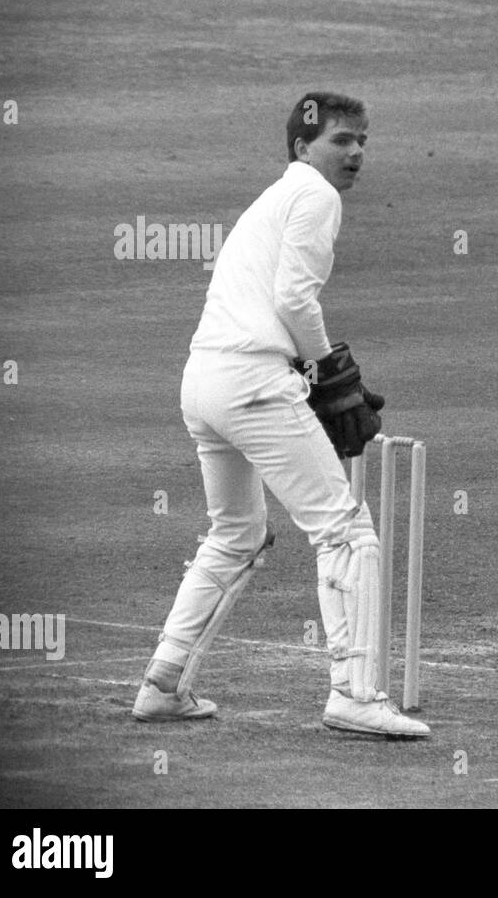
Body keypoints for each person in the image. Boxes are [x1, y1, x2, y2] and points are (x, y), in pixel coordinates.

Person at [132, 92, 429, 737]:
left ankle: (164, 683)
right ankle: (354, 694)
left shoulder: (274, 198)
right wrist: (328, 373)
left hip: (204, 381)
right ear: (302, 147)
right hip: (252, 381)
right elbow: (294, 298)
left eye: (362, 142)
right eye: (341, 141)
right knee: (347, 531)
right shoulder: (317, 196)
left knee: (235, 533)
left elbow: (272, 299)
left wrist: (309, 371)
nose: (354, 153)